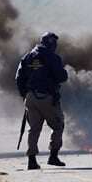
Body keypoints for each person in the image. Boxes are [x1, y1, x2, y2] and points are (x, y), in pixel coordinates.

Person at [15, 32, 68, 170]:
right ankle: (53, 156)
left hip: (31, 98)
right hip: (46, 97)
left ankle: (31, 161)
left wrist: (25, 95)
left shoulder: (28, 57)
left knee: (34, 129)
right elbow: (61, 77)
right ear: (52, 44)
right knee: (58, 125)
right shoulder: (52, 57)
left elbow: (19, 78)